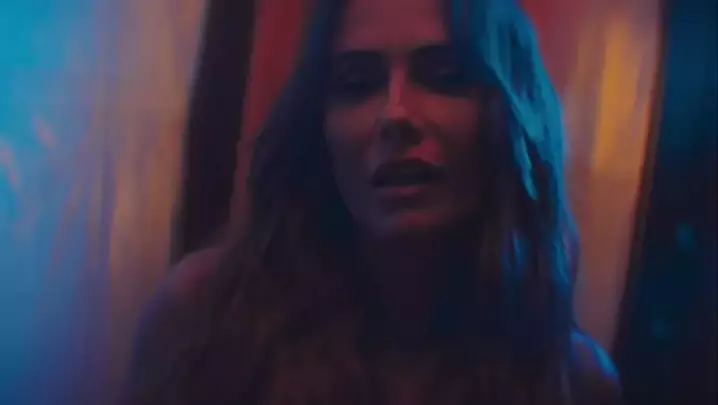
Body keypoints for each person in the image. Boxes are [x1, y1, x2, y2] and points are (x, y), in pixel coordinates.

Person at [122, 0, 622, 403]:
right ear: (316, 126)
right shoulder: (203, 319)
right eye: (356, 83)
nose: (394, 114)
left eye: (444, 75)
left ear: (509, 113)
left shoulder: (570, 380)